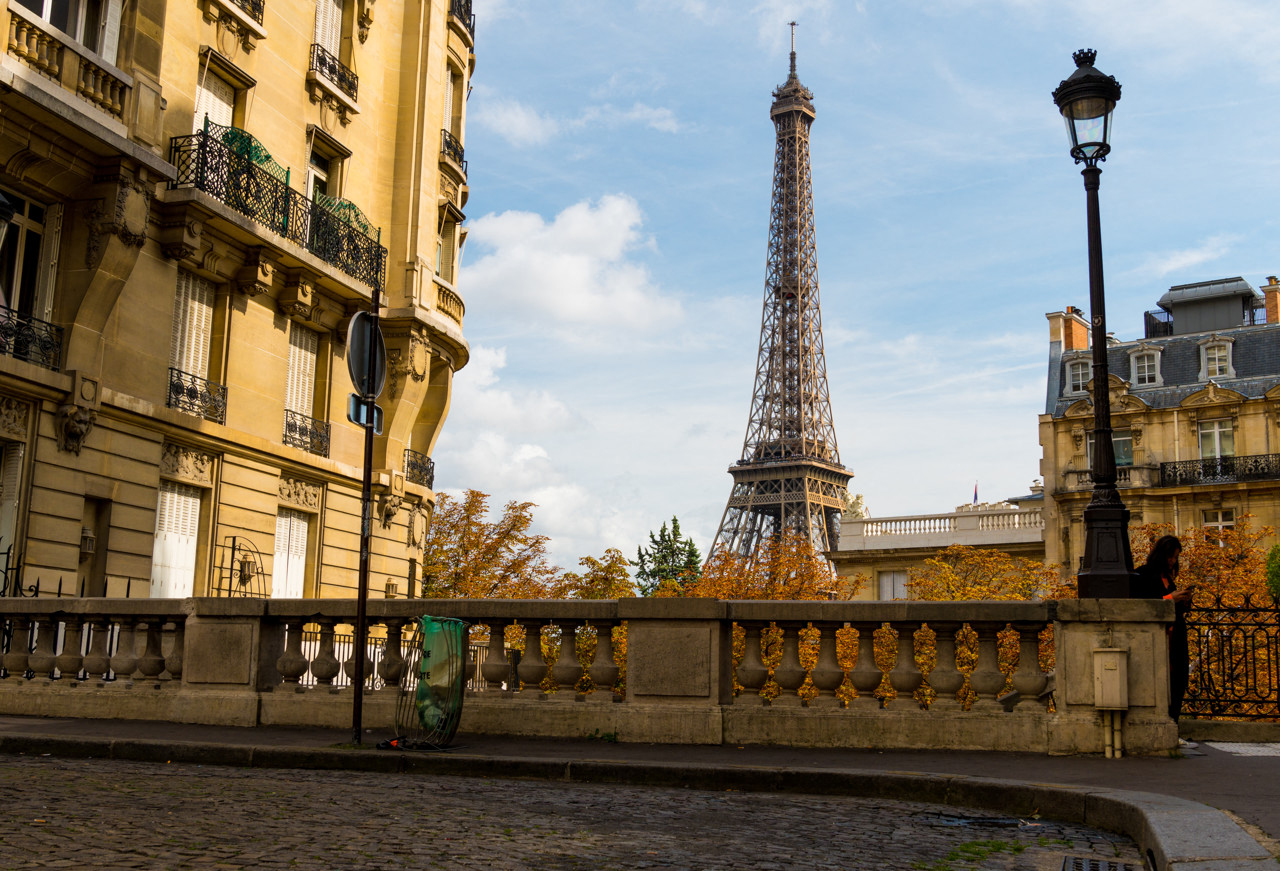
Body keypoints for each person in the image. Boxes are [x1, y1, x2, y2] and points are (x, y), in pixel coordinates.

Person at [1132, 535, 1194, 722]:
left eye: (1175, 557)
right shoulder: (1144, 575)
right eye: (1170, 556)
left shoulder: (1168, 577)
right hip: (1159, 639)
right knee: (1163, 682)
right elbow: (1142, 606)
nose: (1172, 561)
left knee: (1179, 681)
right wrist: (1170, 599)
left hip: (1175, 637)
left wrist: (1183, 600)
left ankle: (1173, 722)